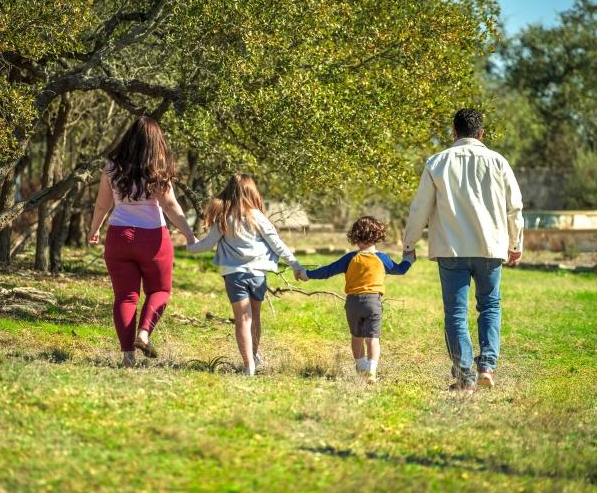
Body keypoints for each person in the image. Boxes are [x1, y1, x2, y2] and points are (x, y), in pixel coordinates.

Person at [402, 108, 524, 394]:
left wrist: (409, 244)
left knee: (456, 313)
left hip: (452, 248)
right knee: (490, 306)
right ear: (481, 134)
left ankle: (465, 376)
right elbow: (514, 207)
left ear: (453, 133)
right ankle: (488, 367)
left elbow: (420, 208)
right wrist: (515, 244)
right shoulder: (499, 162)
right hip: (491, 247)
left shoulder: (438, 162)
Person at [89, 117, 196, 368]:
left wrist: (94, 229)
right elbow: (170, 206)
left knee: (125, 297)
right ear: (155, 142)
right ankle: (144, 334)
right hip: (153, 238)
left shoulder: (112, 166)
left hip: (119, 235)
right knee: (159, 291)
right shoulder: (157, 169)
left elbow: (102, 204)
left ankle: (128, 357)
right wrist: (189, 234)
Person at [186, 174, 306, 375]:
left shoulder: (224, 217)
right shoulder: (258, 217)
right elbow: (277, 244)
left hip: (234, 275)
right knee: (255, 317)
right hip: (257, 274)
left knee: (242, 319)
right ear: (252, 192)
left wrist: (190, 245)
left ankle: (248, 364)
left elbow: (206, 245)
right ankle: (254, 356)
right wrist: (295, 265)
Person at [300, 216, 414, 383]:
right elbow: (399, 270)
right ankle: (372, 371)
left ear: (355, 236)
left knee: (356, 337)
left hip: (352, 303)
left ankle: (360, 367)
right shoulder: (382, 258)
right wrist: (408, 260)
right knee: (373, 339)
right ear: (378, 236)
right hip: (373, 303)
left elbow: (328, 270)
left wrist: (306, 274)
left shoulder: (350, 258)